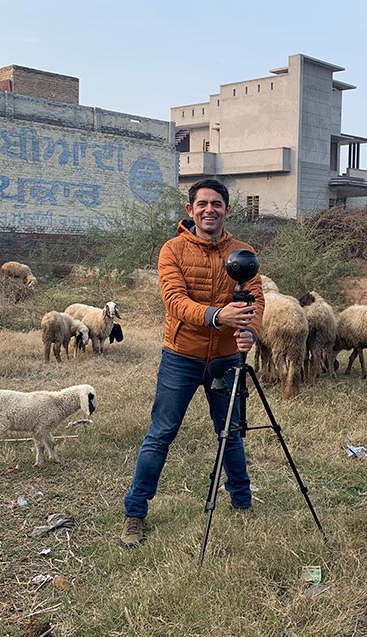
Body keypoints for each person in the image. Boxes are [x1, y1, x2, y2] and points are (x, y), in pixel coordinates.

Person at [120, 178, 264, 548]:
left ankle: (242, 503)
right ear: (190, 210)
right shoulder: (172, 250)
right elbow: (175, 301)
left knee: (230, 433)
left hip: (225, 358)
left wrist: (251, 330)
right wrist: (219, 316)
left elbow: (256, 300)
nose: (209, 210)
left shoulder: (243, 252)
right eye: (202, 204)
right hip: (181, 356)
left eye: (217, 204)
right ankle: (135, 513)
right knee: (161, 434)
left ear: (227, 210)